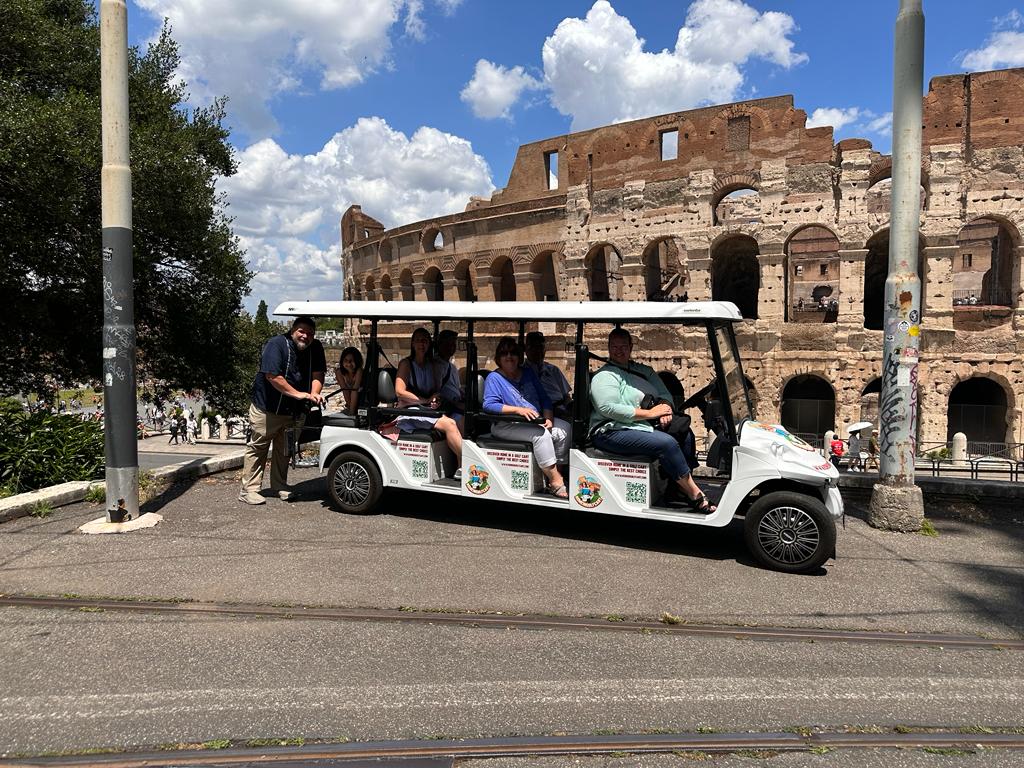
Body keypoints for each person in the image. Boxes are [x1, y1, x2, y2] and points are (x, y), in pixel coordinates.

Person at [589, 328, 712, 512]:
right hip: (611, 430)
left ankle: (676, 486)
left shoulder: (643, 371)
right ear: (608, 348)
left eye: (623, 346)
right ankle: (694, 494)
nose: (619, 350)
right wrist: (651, 414)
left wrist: (665, 409)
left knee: (685, 434)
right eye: (614, 346)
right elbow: (607, 408)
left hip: (639, 426)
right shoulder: (605, 376)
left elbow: (664, 394)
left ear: (631, 347)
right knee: (667, 443)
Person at [239, 315, 326, 505]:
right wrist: (299, 394)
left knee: (284, 449)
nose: (305, 336)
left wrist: (314, 393)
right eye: (302, 331)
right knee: (258, 447)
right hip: (268, 407)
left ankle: (279, 485)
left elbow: (318, 373)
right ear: (293, 330)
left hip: (294, 411)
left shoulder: (316, 347)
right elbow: (272, 376)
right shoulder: (276, 344)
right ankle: (249, 490)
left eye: (310, 333)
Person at [482, 336, 570, 498]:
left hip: (533, 421)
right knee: (541, 435)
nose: (509, 357)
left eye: (513, 353)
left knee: (564, 429)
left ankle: (558, 470)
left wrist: (548, 418)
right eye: (504, 353)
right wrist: (517, 410)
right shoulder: (494, 378)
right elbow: (489, 405)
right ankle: (555, 481)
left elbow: (544, 398)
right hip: (507, 425)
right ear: (498, 358)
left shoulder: (528, 373)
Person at [393, 327, 462, 472]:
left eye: (425, 341)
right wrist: (424, 400)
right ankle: (465, 463)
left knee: (460, 417)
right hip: (410, 411)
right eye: (418, 341)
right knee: (450, 424)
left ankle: (458, 464)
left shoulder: (431, 365)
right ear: (412, 344)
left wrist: (434, 399)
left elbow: (435, 391)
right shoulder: (406, 364)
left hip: (426, 410)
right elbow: (400, 392)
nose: (421, 344)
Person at [524, 331, 572, 420]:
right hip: (537, 413)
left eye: (540, 347)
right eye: (533, 347)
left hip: (561, 411)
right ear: (526, 349)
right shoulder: (521, 372)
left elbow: (566, 396)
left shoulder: (553, 370)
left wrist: (570, 409)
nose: (537, 351)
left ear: (545, 349)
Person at [435, 329, 465, 418]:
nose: (451, 347)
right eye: (447, 344)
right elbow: (436, 392)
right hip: (446, 408)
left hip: (456, 403)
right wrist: (455, 404)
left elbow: (456, 387)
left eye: (453, 344)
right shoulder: (436, 366)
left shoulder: (452, 367)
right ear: (440, 345)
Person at [334, 346, 364, 416]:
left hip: (361, 400)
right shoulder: (339, 372)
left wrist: (352, 412)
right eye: (346, 360)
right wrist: (350, 408)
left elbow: (355, 390)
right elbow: (344, 389)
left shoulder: (359, 371)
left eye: (351, 361)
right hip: (350, 402)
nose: (348, 364)